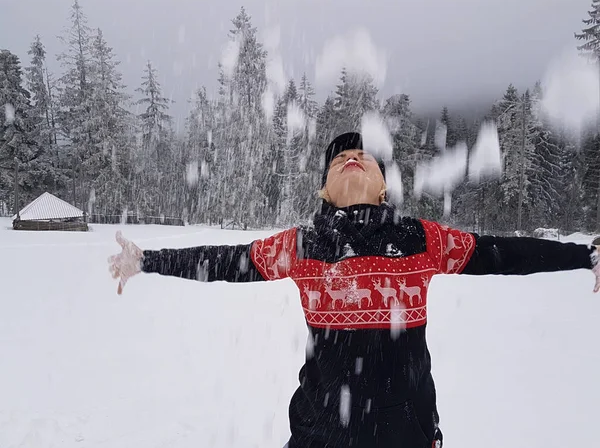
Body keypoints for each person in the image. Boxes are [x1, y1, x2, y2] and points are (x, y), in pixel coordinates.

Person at [109, 131, 600, 448]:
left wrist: (584, 255)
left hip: (406, 436)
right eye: (340, 157)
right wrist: (149, 261)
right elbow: (225, 261)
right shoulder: (303, 246)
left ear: (383, 186)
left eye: (362, 157)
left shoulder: (419, 241)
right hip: (318, 436)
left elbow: (502, 254)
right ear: (324, 187)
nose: (352, 159)